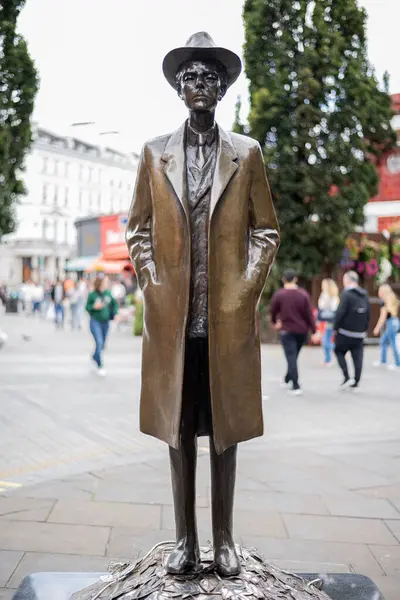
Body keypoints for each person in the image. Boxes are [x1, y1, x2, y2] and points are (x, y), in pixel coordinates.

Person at [126, 32, 279, 576]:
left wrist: (243, 289)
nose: (199, 84)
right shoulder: (153, 154)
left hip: (225, 320)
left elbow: (266, 231)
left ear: (222, 88)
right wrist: (152, 281)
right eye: (190, 76)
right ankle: (185, 540)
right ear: (177, 89)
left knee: (225, 430)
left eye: (209, 77)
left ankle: (225, 539)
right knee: (179, 431)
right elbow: (137, 228)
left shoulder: (246, 153)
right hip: (173, 319)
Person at [270, 270, 316, 395]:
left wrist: (275, 322)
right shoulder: (303, 295)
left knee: (291, 357)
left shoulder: (279, 295)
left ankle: (295, 385)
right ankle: (287, 378)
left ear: (284, 279)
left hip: (287, 331)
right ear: (295, 279)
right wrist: (314, 330)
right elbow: (309, 314)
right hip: (302, 331)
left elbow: (273, 310)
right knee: (293, 357)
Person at [334, 270, 370, 390]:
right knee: (358, 357)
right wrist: (364, 329)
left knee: (338, 351)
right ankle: (356, 380)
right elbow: (368, 314)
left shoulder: (346, 294)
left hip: (345, 332)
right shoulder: (364, 294)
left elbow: (340, 312)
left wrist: (335, 327)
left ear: (348, 281)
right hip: (359, 333)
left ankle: (347, 376)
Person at [85, 275, 118, 376]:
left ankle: (95, 356)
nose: (107, 283)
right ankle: (100, 365)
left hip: (105, 322)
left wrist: (115, 313)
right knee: (99, 342)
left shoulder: (108, 293)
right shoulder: (92, 295)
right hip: (95, 321)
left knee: (102, 344)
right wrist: (94, 307)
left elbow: (114, 304)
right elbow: (87, 307)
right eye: (105, 281)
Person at [373, 283, 400, 369]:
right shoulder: (393, 300)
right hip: (395, 322)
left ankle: (397, 363)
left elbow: (382, 317)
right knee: (384, 341)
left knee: (392, 343)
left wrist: (377, 328)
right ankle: (383, 361)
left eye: (380, 291)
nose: (378, 292)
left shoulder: (384, 302)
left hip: (391, 324)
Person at [318, 278, 340, 366]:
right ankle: (327, 359)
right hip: (326, 320)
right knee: (325, 340)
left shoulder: (333, 297)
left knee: (326, 341)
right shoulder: (324, 295)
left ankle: (339, 351)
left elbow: (333, 308)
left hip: (331, 321)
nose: (322, 287)